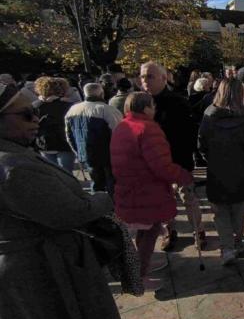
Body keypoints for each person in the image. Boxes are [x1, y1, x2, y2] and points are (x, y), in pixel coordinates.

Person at [0, 82, 124, 319]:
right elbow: (71, 212)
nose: (36, 119)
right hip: (43, 271)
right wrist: (103, 199)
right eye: (27, 114)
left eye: (35, 111)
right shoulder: (14, 167)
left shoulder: (17, 155)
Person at [111, 92, 193, 289]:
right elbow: (161, 165)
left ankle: (141, 265)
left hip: (129, 187)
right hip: (147, 189)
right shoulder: (148, 128)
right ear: (146, 107)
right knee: (150, 232)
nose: (155, 109)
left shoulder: (122, 125)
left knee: (143, 229)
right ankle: (139, 275)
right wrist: (182, 175)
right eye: (153, 106)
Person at [140, 61, 205, 251]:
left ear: (162, 78)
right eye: (143, 76)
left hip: (178, 160)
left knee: (188, 198)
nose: (145, 81)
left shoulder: (177, 102)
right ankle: (169, 231)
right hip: (153, 164)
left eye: (150, 76)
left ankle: (198, 231)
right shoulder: (139, 103)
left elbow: (190, 132)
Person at [199, 79, 244, 264]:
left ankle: (227, 248)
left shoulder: (209, 114)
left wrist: (210, 158)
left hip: (216, 168)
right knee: (238, 210)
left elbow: (202, 143)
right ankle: (237, 242)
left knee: (220, 212)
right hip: (239, 168)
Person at [65, 83, 123, 194]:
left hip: (86, 153)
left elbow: (69, 135)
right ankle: (112, 207)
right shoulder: (107, 110)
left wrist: (78, 152)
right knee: (112, 184)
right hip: (107, 155)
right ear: (102, 93)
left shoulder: (72, 110)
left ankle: (101, 208)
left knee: (96, 184)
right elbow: (119, 134)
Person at [33, 77, 76, 172]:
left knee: (52, 173)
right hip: (65, 143)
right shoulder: (68, 105)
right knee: (67, 173)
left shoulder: (35, 106)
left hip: (45, 142)